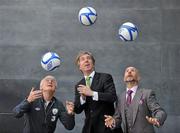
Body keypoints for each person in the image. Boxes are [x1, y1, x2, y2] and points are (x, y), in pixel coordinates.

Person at [105, 66, 167, 133]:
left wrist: (157, 119)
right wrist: (113, 121)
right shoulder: (120, 98)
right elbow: (118, 118)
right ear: (124, 78)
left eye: (132, 70)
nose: (129, 71)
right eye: (127, 71)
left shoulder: (147, 93)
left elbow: (160, 111)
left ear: (138, 78)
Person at [73, 51, 123, 133]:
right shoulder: (79, 85)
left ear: (93, 63)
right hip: (90, 128)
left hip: (107, 126)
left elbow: (112, 97)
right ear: (79, 67)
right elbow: (78, 110)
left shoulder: (105, 77)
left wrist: (92, 93)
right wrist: (82, 98)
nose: (86, 60)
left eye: (88, 58)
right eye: (82, 59)